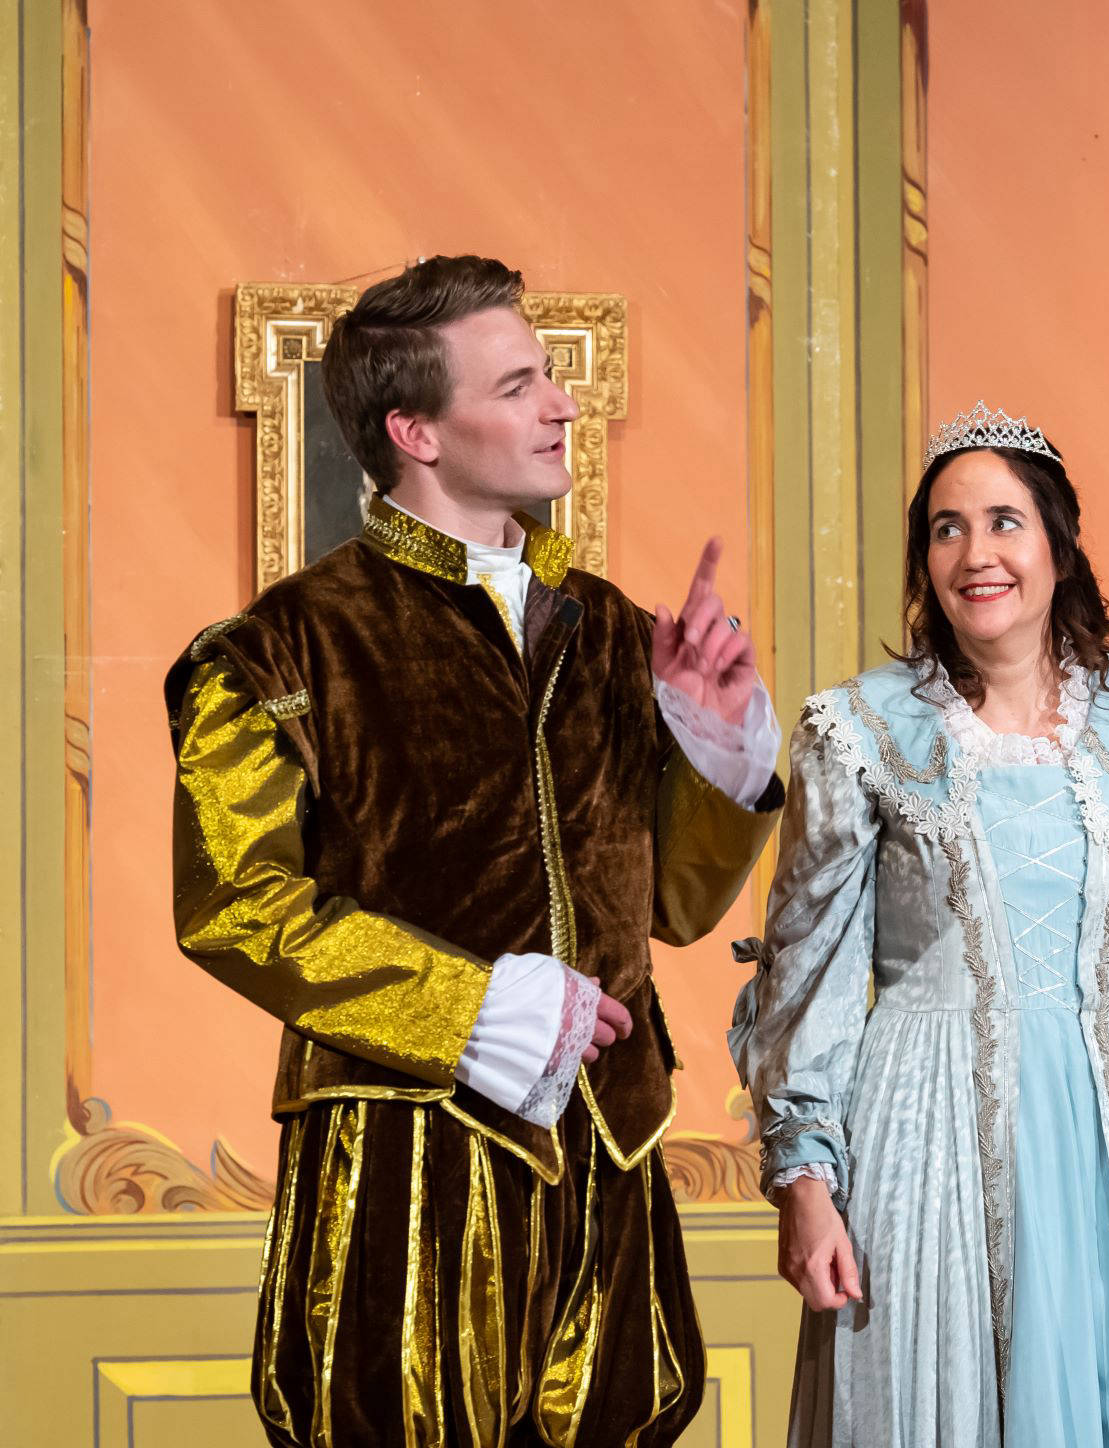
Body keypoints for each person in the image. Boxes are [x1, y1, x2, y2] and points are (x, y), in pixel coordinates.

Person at [166, 254, 783, 1448]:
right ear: (415, 430)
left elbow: (667, 905)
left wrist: (718, 751)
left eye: (548, 375)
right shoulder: (279, 648)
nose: (561, 403)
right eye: (517, 385)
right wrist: (465, 1006)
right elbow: (235, 905)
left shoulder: (609, 625)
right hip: (404, 1159)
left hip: (607, 1147)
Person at [729, 401, 1109, 1447]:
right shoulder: (858, 730)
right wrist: (806, 1185)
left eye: (1004, 521)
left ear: (1058, 543)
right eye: (947, 528)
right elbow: (808, 973)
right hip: (926, 1146)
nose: (977, 554)